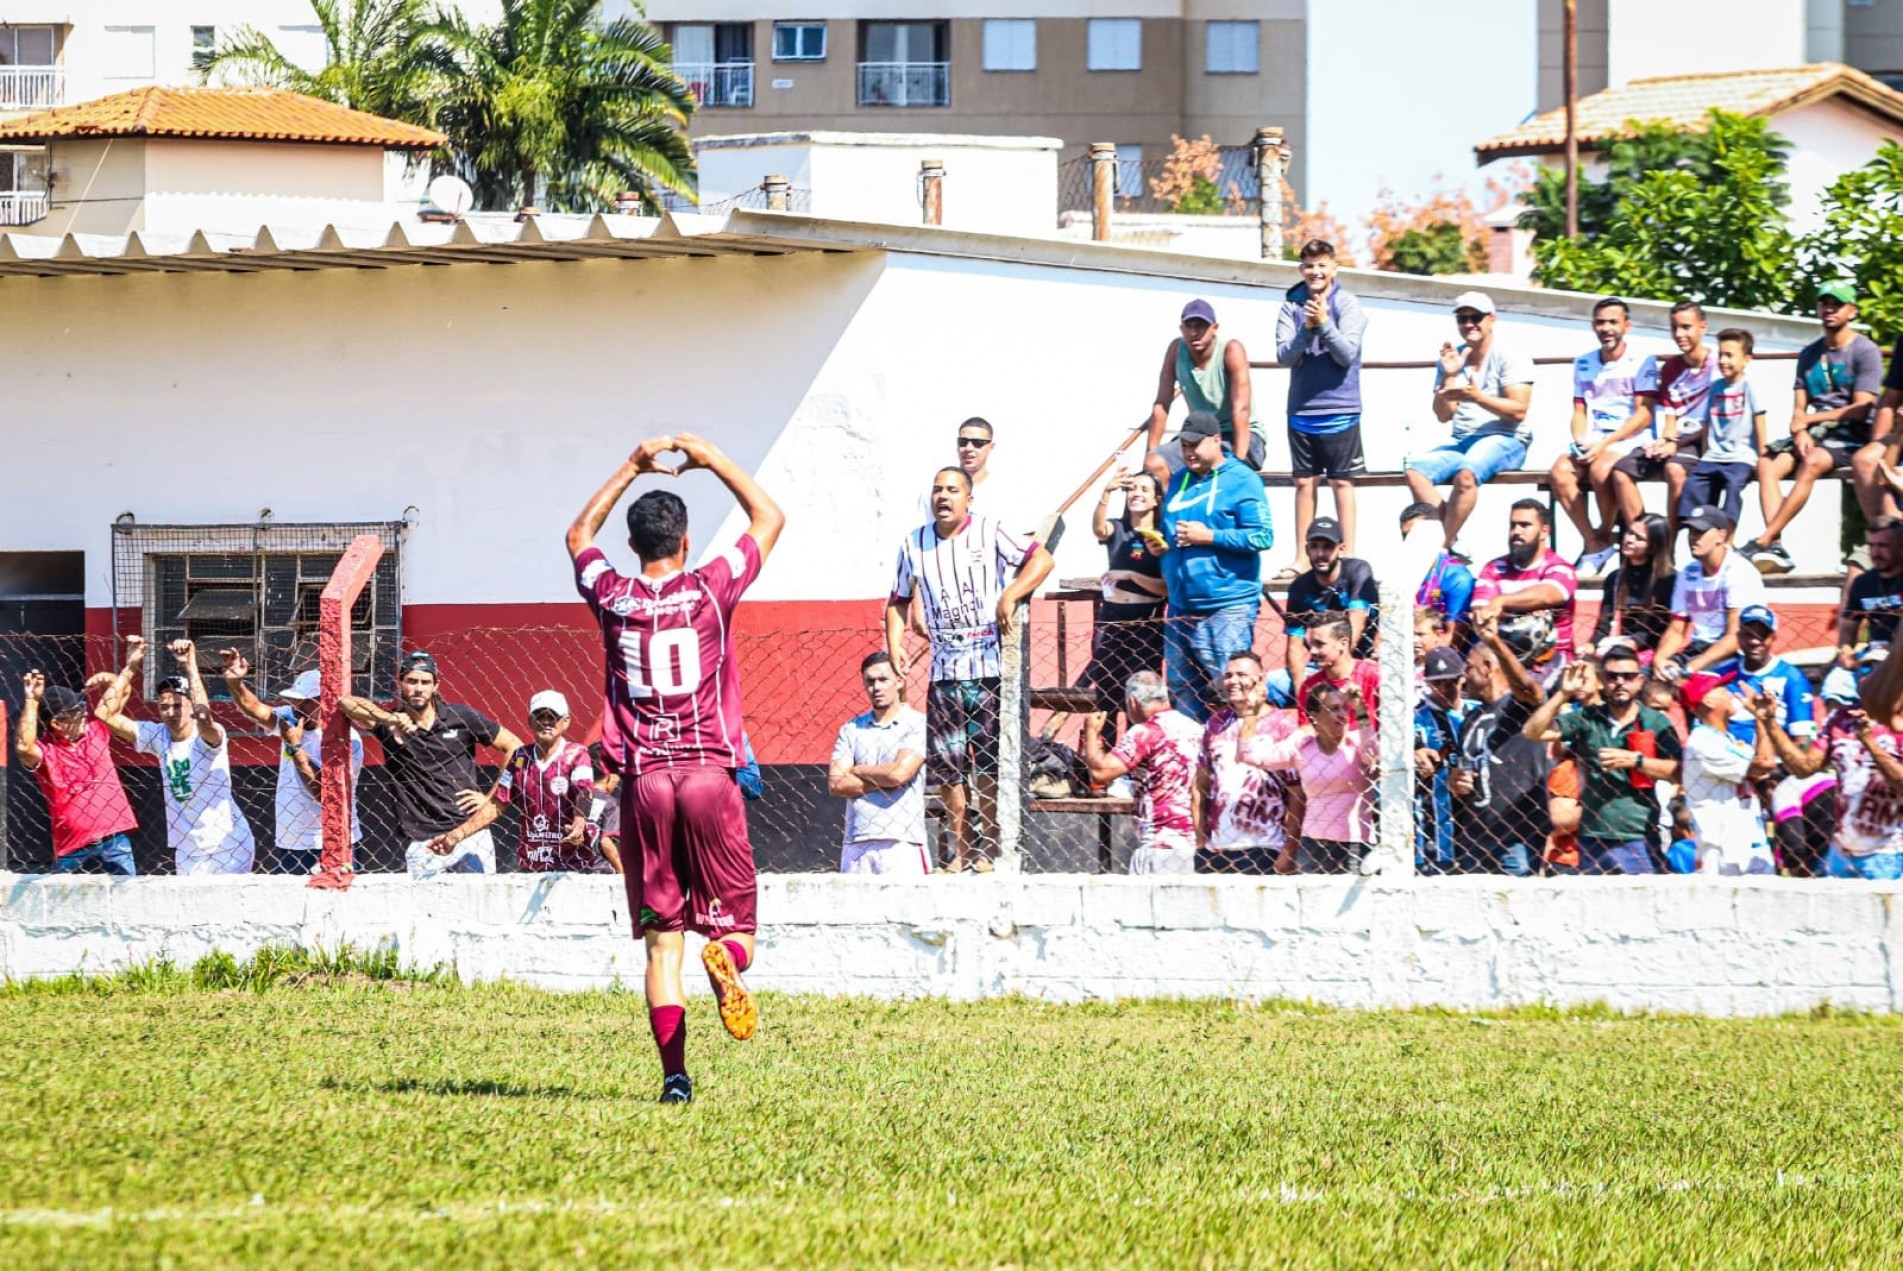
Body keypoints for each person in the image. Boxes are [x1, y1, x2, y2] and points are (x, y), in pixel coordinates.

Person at [566, 431, 785, 1105]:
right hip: (709, 774)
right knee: (734, 925)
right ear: (685, 541)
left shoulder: (613, 596)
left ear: (632, 548)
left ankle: (675, 1077)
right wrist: (713, 457)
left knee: (663, 944)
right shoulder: (710, 588)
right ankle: (731, 959)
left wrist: (630, 464)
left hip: (644, 784)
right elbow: (768, 517)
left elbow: (578, 533)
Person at [887, 467, 1053, 873]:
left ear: (968, 499)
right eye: (937, 490)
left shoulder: (990, 531)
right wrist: (893, 646)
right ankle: (961, 852)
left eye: (952, 490)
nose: (943, 497)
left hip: (988, 670)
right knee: (948, 767)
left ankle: (990, 849)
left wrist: (1010, 595)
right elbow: (897, 600)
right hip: (943, 673)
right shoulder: (914, 544)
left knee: (986, 764)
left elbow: (1042, 559)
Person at [1742, 282, 1887, 576]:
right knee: (1766, 464)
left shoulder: (1865, 351)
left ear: (1852, 310)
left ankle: (1764, 537)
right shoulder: (1809, 354)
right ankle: (1776, 547)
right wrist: (1801, 430)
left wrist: (1810, 422)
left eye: (1837, 303)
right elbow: (1799, 408)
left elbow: (1862, 408)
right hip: (1816, 435)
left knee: (1813, 461)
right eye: (1825, 303)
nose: (1829, 309)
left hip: (1851, 436)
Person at [340, 651, 520, 880]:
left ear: (435, 686)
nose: (418, 688)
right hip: (421, 840)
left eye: (425, 682)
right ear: (401, 683)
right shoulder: (390, 725)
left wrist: (490, 797)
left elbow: (515, 747)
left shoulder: (461, 717)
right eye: (412, 681)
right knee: (427, 914)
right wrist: (390, 719)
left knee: (478, 911)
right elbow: (345, 703)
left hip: (470, 833)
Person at [94, 638, 257, 875]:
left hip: (228, 845)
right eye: (164, 706)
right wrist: (131, 666)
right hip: (188, 849)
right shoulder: (159, 736)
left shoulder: (208, 736)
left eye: (178, 705)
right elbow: (103, 712)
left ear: (191, 705)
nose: (170, 713)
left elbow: (204, 716)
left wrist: (191, 665)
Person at [1521, 645, 1683, 874]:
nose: (1620, 682)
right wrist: (1562, 694)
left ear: (1638, 681)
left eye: (1627, 677)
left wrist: (1637, 761)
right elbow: (1533, 732)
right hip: (1592, 837)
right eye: (1612, 676)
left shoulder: (1655, 721)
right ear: (1602, 681)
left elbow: (1679, 771)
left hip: (1638, 836)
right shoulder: (1588, 718)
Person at [1156, 410, 1275, 722]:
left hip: (1227, 606)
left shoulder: (1243, 480)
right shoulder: (1180, 479)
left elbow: (1262, 536)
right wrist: (1161, 546)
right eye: (1184, 445)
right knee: (1182, 687)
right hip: (1181, 605)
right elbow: (1175, 532)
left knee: (1233, 688)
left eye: (1195, 444)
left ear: (1217, 440)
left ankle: (1244, 753)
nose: (1189, 452)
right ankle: (1194, 762)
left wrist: (1210, 536)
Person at [1404, 291, 1535, 555]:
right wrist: (1448, 378)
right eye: (1462, 318)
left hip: (1507, 438)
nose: (1469, 324)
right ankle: (1451, 541)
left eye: (1475, 317)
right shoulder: (1454, 358)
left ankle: (1440, 546)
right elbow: (1443, 414)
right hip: (1462, 441)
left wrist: (1477, 397)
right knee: (1414, 470)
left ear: (1492, 319)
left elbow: (1518, 410)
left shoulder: (1510, 354)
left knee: (1466, 473)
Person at [425, 691, 604, 873]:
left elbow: (584, 790)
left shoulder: (577, 753)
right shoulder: (520, 757)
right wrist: (454, 837)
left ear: (565, 721)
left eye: (553, 717)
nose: (546, 722)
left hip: (572, 864)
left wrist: (579, 822)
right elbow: (497, 804)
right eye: (540, 716)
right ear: (530, 721)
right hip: (531, 864)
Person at [1752, 667, 1903, 880]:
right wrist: (1770, 723)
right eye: (1865, 670)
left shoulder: (1898, 724)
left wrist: (1869, 743)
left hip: (1888, 854)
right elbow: (1803, 768)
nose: (1870, 677)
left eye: (1879, 671)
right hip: (1840, 853)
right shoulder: (1840, 719)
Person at [1275, 240, 1368, 570]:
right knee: (1304, 483)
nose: (1315, 272)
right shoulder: (1291, 306)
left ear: (1334, 268)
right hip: (1301, 410)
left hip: (1340, 408)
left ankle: (1349, 553)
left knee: (1342, 482)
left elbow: (1346, 354)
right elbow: (1284, 355)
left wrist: (1326, 324)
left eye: (1322, 265)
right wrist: (1307, 329)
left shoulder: (1348, 304)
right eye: (1309, 266)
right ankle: (1301, 556)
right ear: (1301, 269)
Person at [220, 659, 363, 874]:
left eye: (306, 702)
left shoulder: (347, 740)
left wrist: (295, 748)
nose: (298, 707)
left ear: (324, 701)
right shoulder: (290, 720)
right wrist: (235, 683)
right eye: (295, 700)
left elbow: (324, 792)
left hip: (329, 841)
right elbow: (255, 708)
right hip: (290, 841)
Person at [1722, 606, 1830, 878]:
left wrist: (1777, 770)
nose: (1755, 641)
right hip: (1731, 766)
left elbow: (1803, 741)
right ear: (1739, 636)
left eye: (1763, 635)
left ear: (1773, 638)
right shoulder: (1725, 674)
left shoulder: (1791, 678)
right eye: (1748, 634)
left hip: (1776, 769)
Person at [1551, 298, 1652, 580]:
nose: (1606, 328)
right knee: (1559, 471)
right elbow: (1579, 410)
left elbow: (1644, 414)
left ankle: (1605, 534)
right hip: (1596, 441)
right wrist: (1581, 440)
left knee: (1601, 468)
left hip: (1628, 440)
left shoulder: (1642, 360)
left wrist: (1604, 445)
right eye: (1600, 322)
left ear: (1626, 326)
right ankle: (1594, 542)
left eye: (1613, 322)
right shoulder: (1583, 362)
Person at [1448, 612, 1551, 875]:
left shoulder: (1520, 707)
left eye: (1469, 668)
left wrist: (1494, 643)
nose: (1464, 676)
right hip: (1474, 840)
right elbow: (1462, 771)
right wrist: (1456, 782)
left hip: (1517, 839)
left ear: (1488, 667)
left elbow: (1530, 689)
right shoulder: (1471, 718)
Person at [1240, 682, 1377, 873]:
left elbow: (1373, 754)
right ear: (1315, 715)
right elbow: (1250, 755)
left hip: (1355, 843)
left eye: (1345, 708)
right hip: (1312, 844)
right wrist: (1250, 713)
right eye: (1334, 709)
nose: (1342, 715)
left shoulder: (1356, 741)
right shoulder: (1302, 746)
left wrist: (1360, 709)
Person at [15, 666, 138, 875]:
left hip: (114, 839)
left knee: (126, 898)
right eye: (77, 711)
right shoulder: (47, 751)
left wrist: (109, 678)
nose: (84, 714)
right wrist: (31, 701)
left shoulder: (96, 731)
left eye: (82, 706)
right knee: (62, 903)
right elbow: (23, 746)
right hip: (73, 848)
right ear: (57, 723)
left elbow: (123, 692)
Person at [1080, 671, 1203, 875]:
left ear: (1132, 702)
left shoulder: (1145, 731)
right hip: (1193, 841)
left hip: (1159, 842)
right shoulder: (1195, 728)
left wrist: (1092, 733)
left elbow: (1100, 773)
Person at [1614, 301, 1717, 541]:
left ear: (1703, 327)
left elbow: (1715, 421)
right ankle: (1645, 540)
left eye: (1686, 327)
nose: (1679, 334)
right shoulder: (1672, 367)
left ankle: (1668, 545)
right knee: (1621, 471)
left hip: (1702, 441)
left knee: (1674, 469)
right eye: (1674, 328)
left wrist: (1675, 444)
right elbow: (1669, 413)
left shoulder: (1717, 365)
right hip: (1676, 439)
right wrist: (1664, 440)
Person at [1080, 468, 1167, 744]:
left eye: (1144, 490)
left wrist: (1131, 576)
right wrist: (1106, 492)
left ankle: (1136, 760)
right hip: (1111, 619)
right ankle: (1105, 761)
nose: (1136, 495)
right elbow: (1098, 527)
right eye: (1132, 489)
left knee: (1140, 695)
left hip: (1146, 621)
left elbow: (1166, 588)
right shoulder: (1118, 529)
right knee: (1107, 694)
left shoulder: (1160, 537)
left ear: (1156, 499)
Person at [1194, 651, 1301, 876]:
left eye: (1241, 675)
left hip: (1264, 847)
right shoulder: (1215, 724)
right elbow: (1200, 788)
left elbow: (1297, 795)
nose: (1233, 681)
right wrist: (1201, 841)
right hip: (1218, 848)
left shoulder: (1283, 726)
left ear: (1261, 679)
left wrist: (1289, 850)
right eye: (1229, 675)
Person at [827, 651, 929, 876]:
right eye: (870, 681)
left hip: (902, 841)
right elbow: (836, 783)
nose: (877, 687)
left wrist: (857, 770)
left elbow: (899, 774)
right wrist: (887, 777)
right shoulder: (851, 729)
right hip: (857, 840)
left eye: (883, 680)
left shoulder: (917, 724)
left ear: (900, 682)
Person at [1145, 297, 1264, 480]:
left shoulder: (1231, 350)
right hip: (1197, 435)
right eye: (1189, 326)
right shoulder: (1176, 349)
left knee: (1207, 464)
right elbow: (1162, 404)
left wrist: (1237, 465)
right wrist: (1150, 455)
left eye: (1201, 326)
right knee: (1154, 465)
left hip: (1241, 435)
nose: (1194, 333)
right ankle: (1169, 508)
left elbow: (1241, 409)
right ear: (1181, 329)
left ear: (1214, 328)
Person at [1652, 506, 1768, 684]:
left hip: (1734, 654)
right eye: (1691, 532)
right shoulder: (1688, 573)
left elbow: (1735, 637)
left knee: (1687, 685)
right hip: (1697, 650)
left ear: (1721, 535)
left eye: (1701, 532)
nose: (1693, 538)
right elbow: (1677, 629)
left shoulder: (1739, 572)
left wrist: (1691, 668)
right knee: (1648, 681)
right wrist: (1660, 659)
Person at [1679, 674, 1777, 876]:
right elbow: (1764, 764)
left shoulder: (1726, 739)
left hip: (1744, 844)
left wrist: (1762, 719)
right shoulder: (1704, 742)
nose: (1731, 693)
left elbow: (1761, 765)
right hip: (1724, 853)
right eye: (1722, 688)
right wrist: (1761, 719)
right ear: (1708, 700)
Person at [1280, 516, 1378, 707]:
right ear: (1307, 549)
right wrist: (1303, 692)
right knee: (1268, 685)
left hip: (1362, 660)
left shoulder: (1357, 571)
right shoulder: (1299, 587)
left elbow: (1356, 624)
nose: (1320, 553)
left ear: (1341, 549)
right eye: (1314, 546)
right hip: (1319, 665)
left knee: (1361, 708)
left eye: (1327, 547)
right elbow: (1294, 643)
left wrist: (1339, 671)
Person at [1674, 328, 1765, 529]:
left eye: (1730, 355)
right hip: (1713, 457)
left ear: (1746, 359)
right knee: (1693, 486)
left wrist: (1762, 456)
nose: (1723, 361)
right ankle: (1699, 533)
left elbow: (1759, 421)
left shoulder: (1749, 386)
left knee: (1733, 489)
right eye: (1721, 354)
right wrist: (1705, 453)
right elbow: (1708, 424)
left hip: (1740, 457)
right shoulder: (1716, 386)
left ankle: (1727, 541)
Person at [1472, 499, 1580, 661]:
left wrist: (1502, 602)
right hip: (1505, 659)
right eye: (1512, 525)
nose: (1516, 531)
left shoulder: (1561, 568)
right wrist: (1489, 613)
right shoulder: (1494, 568)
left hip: (1554, 660)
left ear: (1544, 531)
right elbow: (1482, 611)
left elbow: (1547, 595)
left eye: (1525, 525)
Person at [1588, 513, 1677, 658]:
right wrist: (1591, 645)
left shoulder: (1668, 580)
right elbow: (1604, 624)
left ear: (1653, 547)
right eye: (1629, 533)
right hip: (1623, 646)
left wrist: (1631, 644)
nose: (1629, 540)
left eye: (1639, 538)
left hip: (1654, 650)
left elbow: (1658, 629)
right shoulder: (1615, 578)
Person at [1414, 647, 1468, 874]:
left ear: (1462, 679)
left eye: (1450, 682)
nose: (1444, 689)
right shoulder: (1415, 718)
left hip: (1478, 830)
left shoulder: (1478, 712)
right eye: (1437, 683)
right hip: (1433, 831)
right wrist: (1413, 754)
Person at [1401, 502, 1476, 633]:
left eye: (1416, 535)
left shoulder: (1458, 578)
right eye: (1405, 536)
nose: (1410, 541)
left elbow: (1454, 638)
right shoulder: (1399, 574)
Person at [1297, 616, 1380, 729]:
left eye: (1319, 644)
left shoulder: (1373, 674)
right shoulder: (1310, 686)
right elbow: (1307, 730)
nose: (1312, 651)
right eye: (1311, 644)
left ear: (1343, 643)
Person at [1839, 515, 1903, 653]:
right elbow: (1848, 627)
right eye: (1871, 545)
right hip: (1874, 656)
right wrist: (1845, 651)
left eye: (1883, 546)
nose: (1875, 553)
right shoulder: (1862, 583)